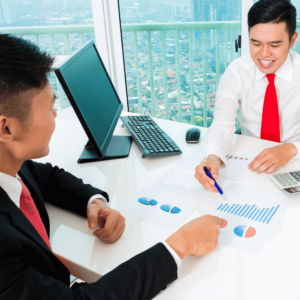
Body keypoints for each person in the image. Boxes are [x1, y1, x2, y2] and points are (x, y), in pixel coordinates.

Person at [0, 34, 225, 300]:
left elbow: (44, 176)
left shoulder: (10, 164)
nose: (56, 115)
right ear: (6, 127)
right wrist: (178, 247)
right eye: (50, 109)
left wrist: (94, 202)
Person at [195, 0, 300, 192]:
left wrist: (293, 149)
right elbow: (222, 121)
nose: (264, 54)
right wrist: (213, 156)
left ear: (293, 40)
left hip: (295, 163)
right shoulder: (237, 71)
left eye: (275, 44)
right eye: (256, 43)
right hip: (250, 162)